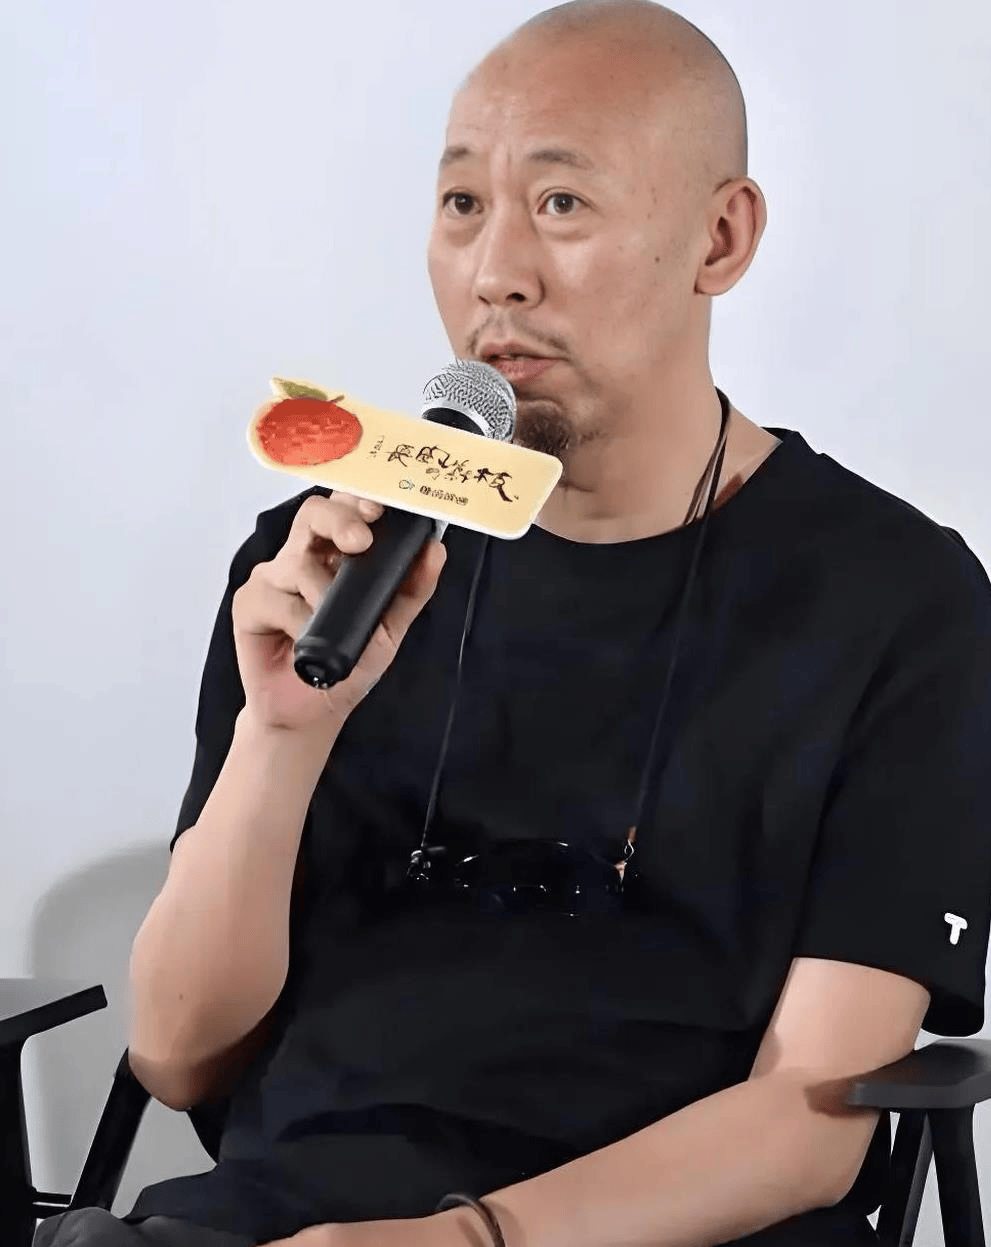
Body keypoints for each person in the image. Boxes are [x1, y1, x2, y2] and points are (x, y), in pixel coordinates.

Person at [35, 2, 991, 1245]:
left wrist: (463, 1240)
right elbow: (177, 1055)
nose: (495, 273)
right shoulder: (329, 566)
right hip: (280, 1218)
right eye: (460, 205)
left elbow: (808, 1123)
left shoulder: (893, 599)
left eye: (560, 203)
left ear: (719, 237)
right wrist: (282, 735)